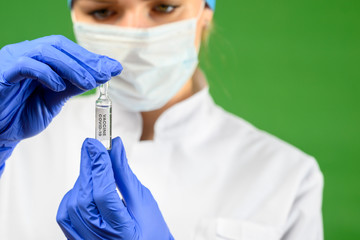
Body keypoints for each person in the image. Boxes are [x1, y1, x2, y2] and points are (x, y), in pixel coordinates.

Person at [0, 0, 324, 239]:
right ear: (73, 17)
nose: (136, 34)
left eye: (165, 7)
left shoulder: (288, 175)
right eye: (103, 11)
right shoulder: (17, 138)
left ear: (205, 15)